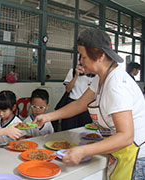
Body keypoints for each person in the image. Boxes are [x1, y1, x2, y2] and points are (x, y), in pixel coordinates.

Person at [34, 28, 145, 180]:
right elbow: (80, 104)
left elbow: (126, 136)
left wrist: (83, 151)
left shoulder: (116, 84)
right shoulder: (101, 78)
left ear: (99, 56)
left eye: (83, 56)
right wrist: (47, 117)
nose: (80, 61)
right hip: (122, 151)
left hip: (136, 156)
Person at [61, 58, 95, 131]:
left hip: (87, 105)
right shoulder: (72, 71)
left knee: (85, 129)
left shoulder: (96, 74)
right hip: (72, 102)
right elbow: (68, 89)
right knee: (69, 129)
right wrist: (76, 75)